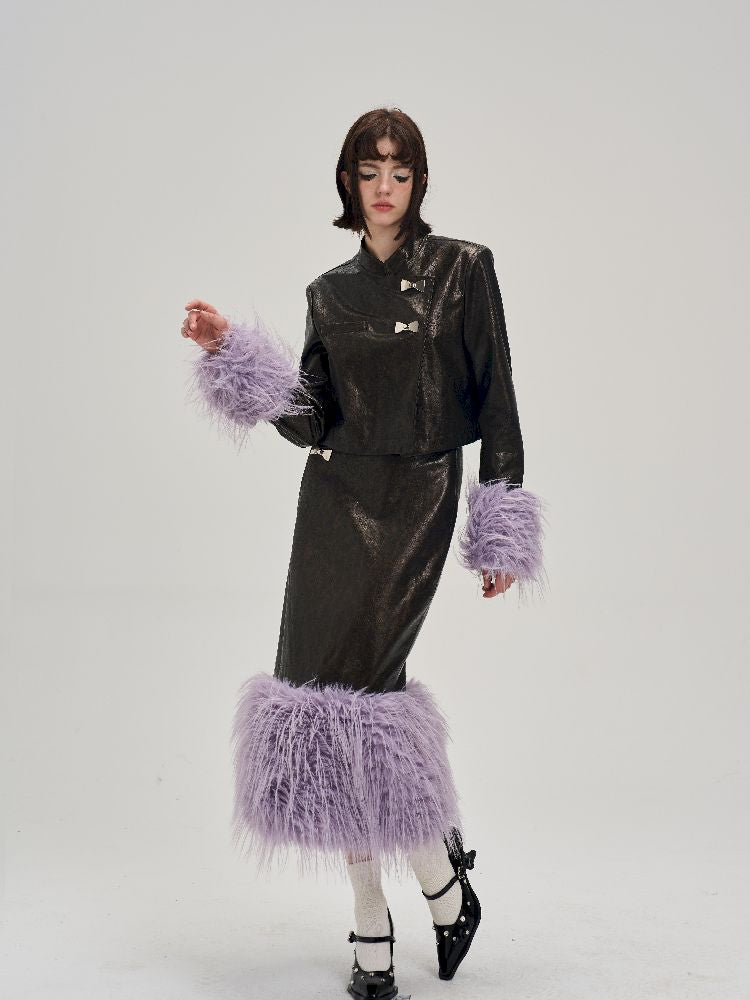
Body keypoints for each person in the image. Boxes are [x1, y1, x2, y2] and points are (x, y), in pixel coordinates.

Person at [181, 107, 546, 999]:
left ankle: (438, 886)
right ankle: (374, 912)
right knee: (321, 702)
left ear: (419, 181)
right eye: (369, 170)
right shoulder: (330, 292)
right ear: (347, 181)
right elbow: (311, 417)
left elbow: (498, 398)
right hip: (333, 506)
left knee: (372, 700)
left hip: (418, 498)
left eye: (400, 170)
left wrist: (498, 525)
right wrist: (230, 351)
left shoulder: (464, 269)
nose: (385, 186)